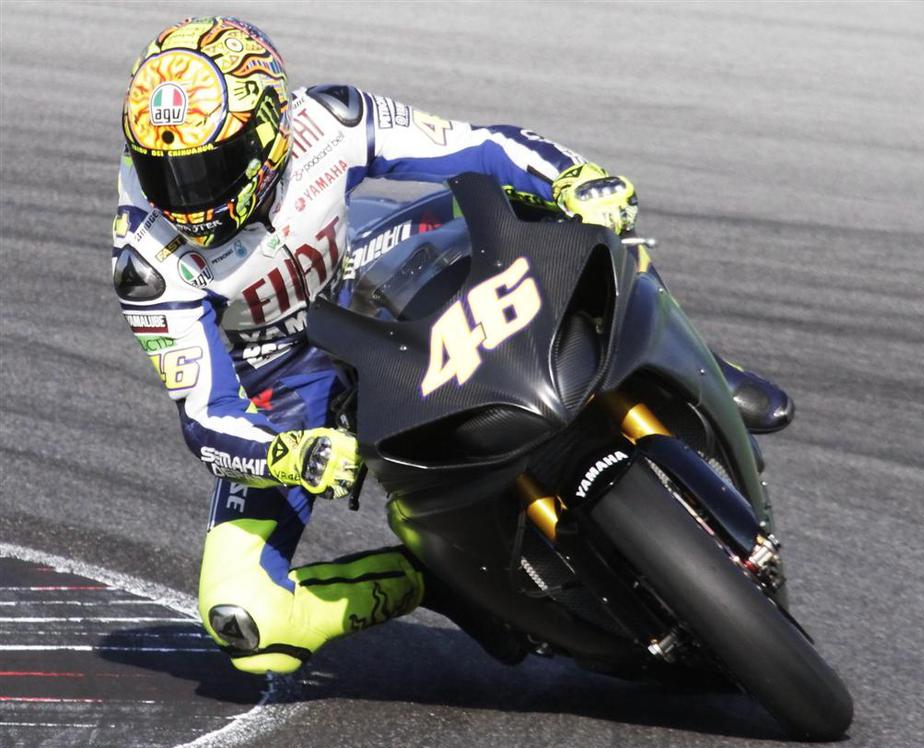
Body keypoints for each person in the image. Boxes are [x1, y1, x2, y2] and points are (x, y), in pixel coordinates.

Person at [113, 16, 793, 675]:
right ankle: (437, 576)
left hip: (377, 273)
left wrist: (574, 176)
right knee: (242, 616)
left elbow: (480, 146)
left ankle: (695, 357)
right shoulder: (146, 265)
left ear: (270, 130)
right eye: (162, 172)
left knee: (563, 208)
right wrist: (285, 456)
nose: (184, 198)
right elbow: (205, 416)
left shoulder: (330, 119)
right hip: (283, 372)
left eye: (207, 169)